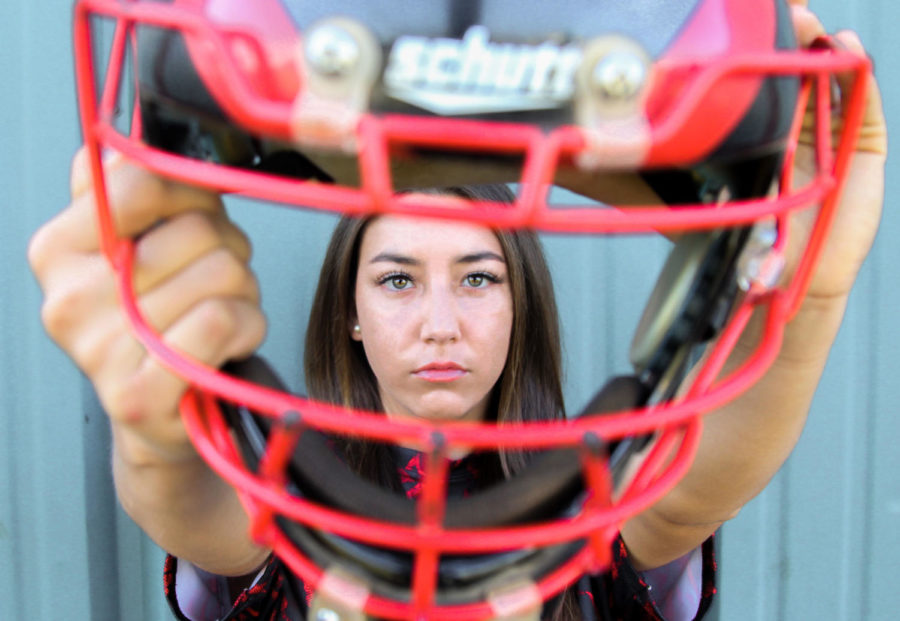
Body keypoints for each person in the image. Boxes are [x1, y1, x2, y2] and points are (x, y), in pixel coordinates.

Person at [27, 0, 886, 619]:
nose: (441, 320)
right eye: (398, 279)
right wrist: (159, 428)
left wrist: (802, 300)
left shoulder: (597, 511)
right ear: (350, 312)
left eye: (479, 277)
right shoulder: (274, 499)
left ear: (522, 303)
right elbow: (207, 514)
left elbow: (681, 501)